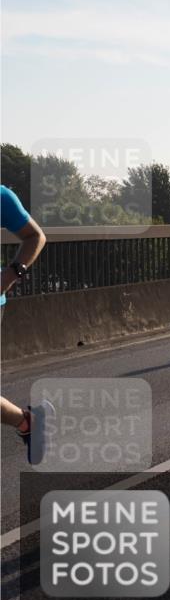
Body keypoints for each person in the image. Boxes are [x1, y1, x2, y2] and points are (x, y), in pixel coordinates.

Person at [0, 185, 53, 464]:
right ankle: (28, 422)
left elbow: (35, 236)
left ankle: (28, 422)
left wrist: (10, 275)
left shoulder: (1, 196)